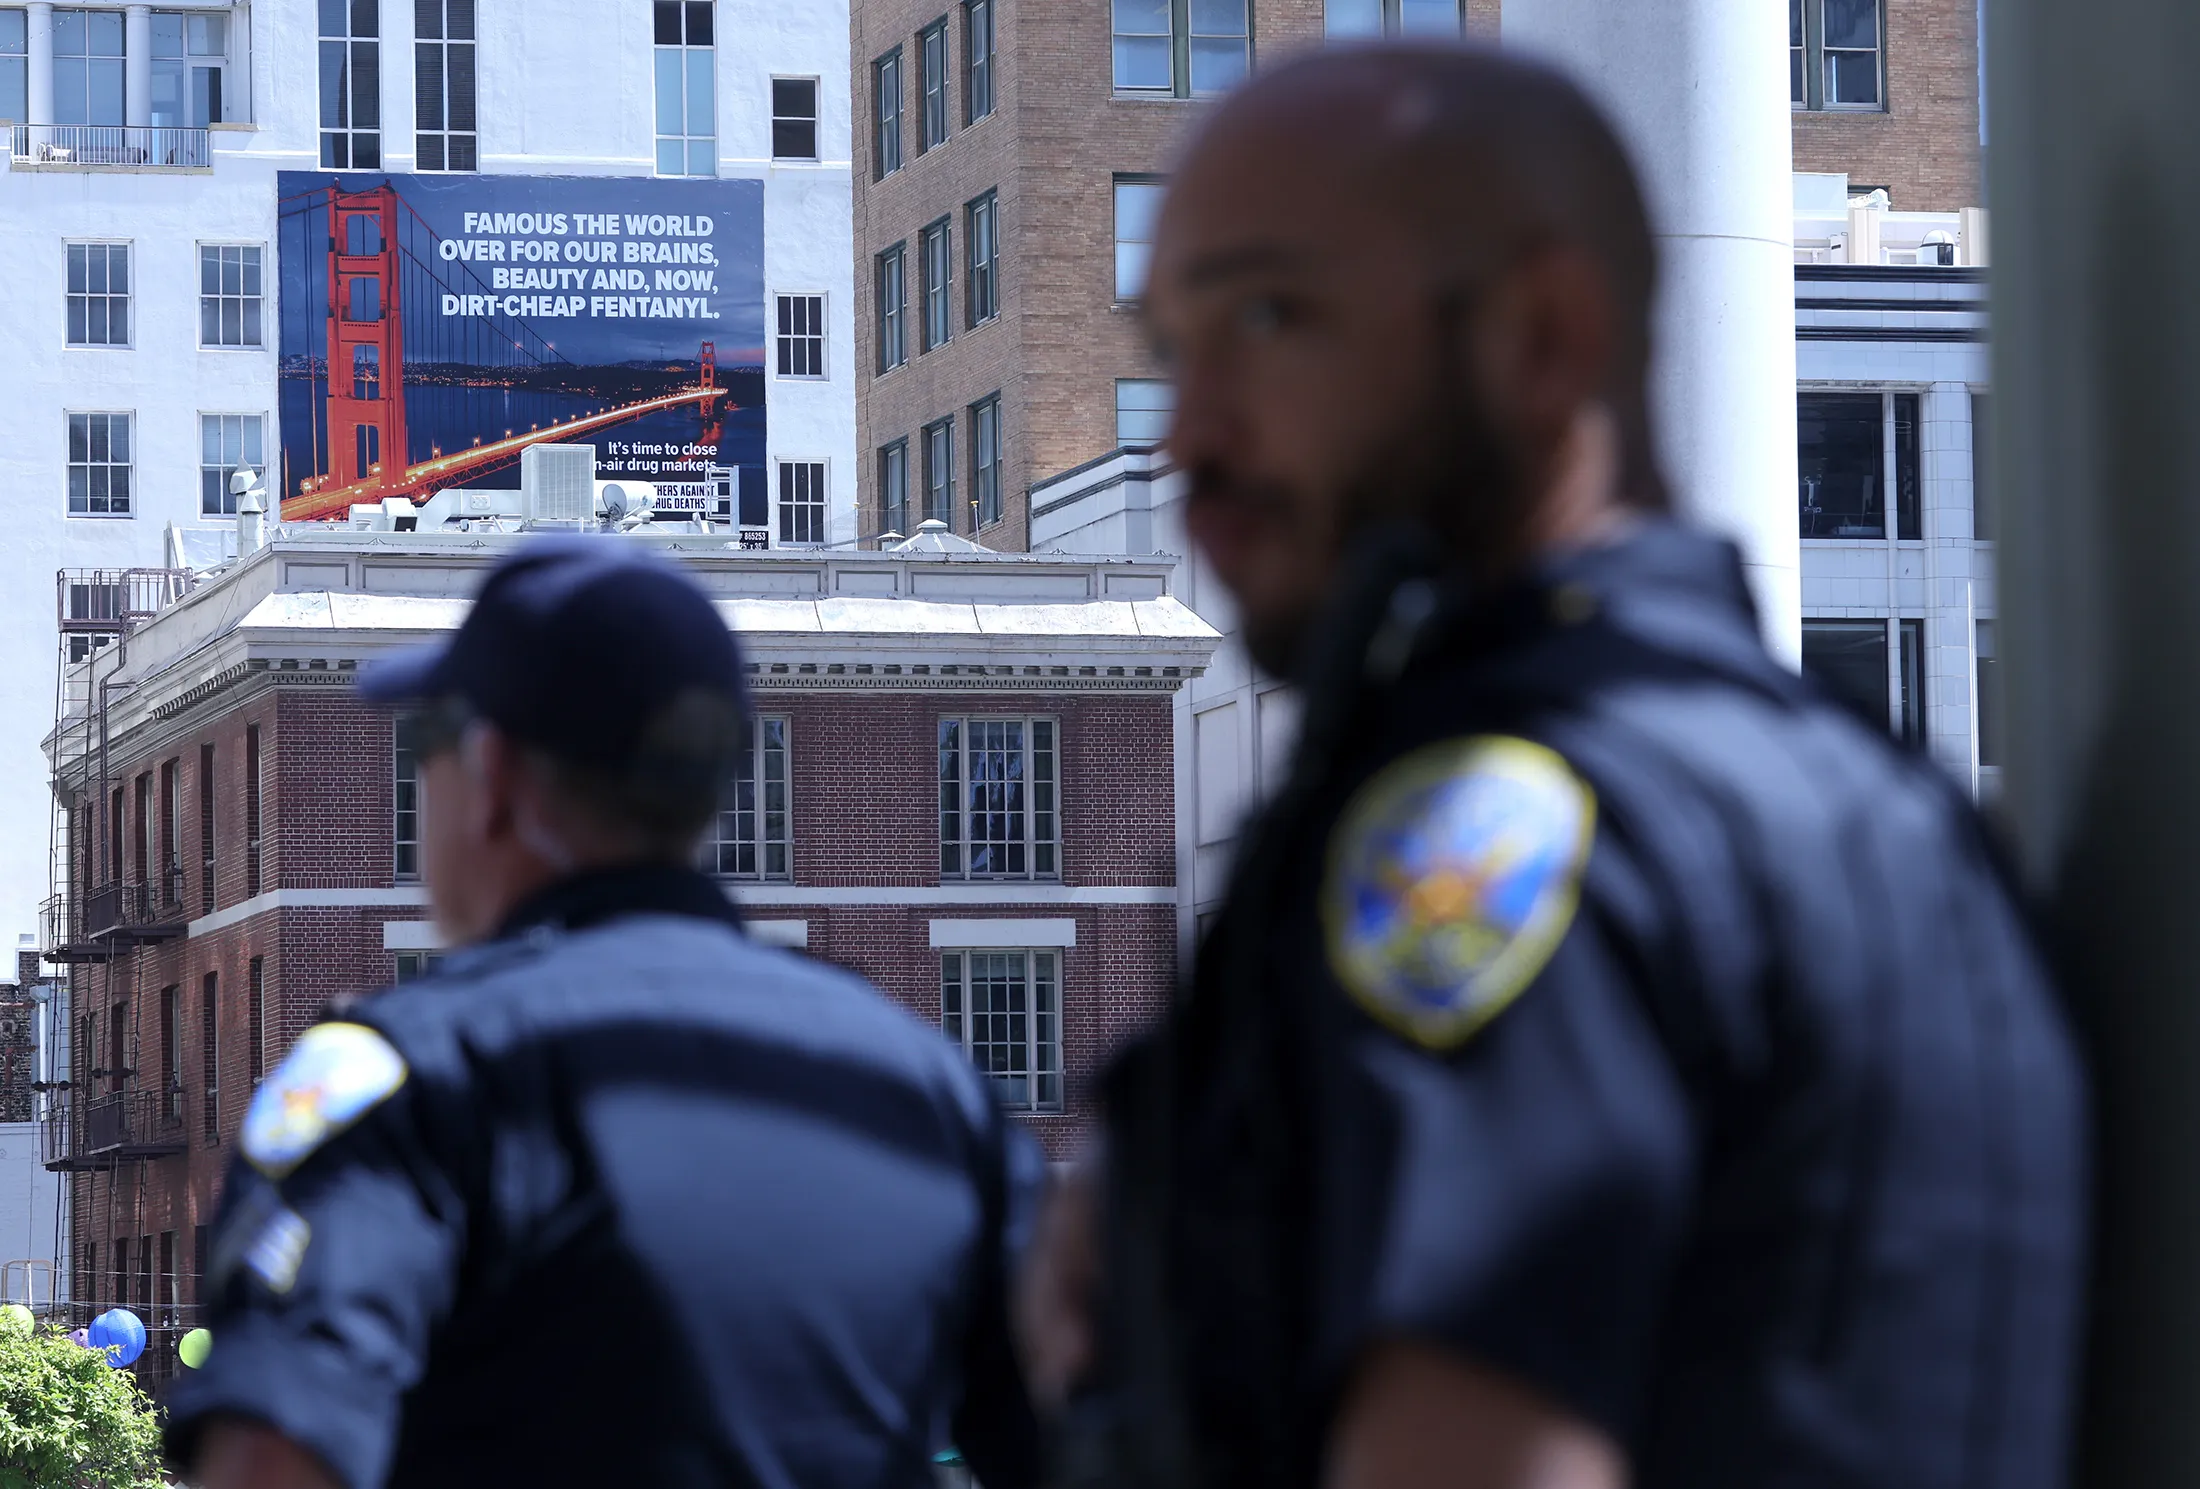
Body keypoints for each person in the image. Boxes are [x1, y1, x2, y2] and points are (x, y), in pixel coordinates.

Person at [1028, 44, 2088, 1489]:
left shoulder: (1500, 835)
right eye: (1171, 348)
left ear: (1544, 335)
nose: (1187, 439)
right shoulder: (1878, 808)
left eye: (1270, 318)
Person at [167, 540, 1041, 1489]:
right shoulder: (929, 1092)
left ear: (491, 774)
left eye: (426, 743)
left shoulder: (401, 1085)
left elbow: (272, 1456)